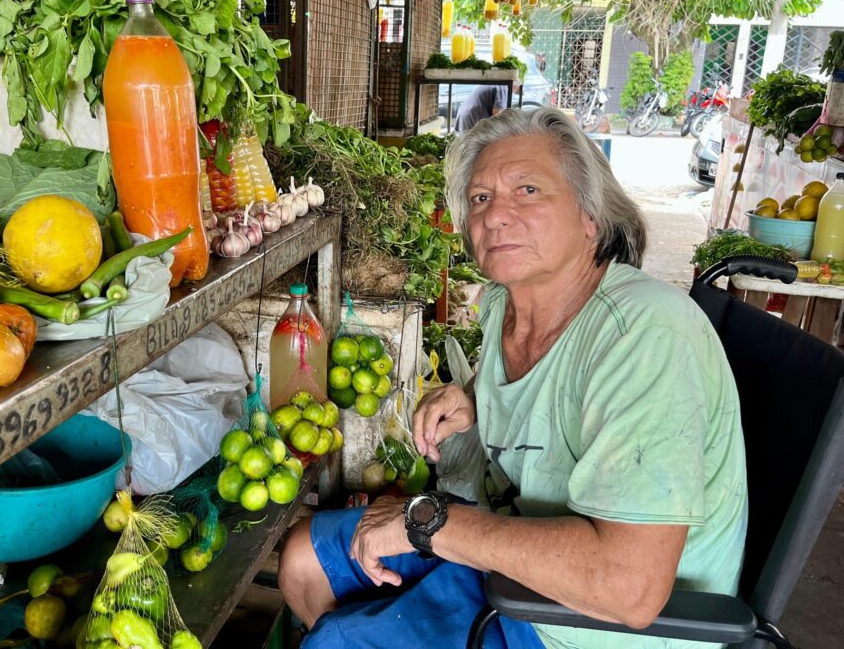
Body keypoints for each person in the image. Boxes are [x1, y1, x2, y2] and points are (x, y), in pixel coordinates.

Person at [278, 108, 748, 649]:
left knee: (339, 642)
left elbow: (630, 589)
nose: (496, 215)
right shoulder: (506, 303)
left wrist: (427, 523)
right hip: (506, 557)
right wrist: (476, 400)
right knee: (302, 559)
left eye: (527, 190)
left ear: (590, 217)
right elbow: (553, 395)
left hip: (578, 625)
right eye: (480, 198)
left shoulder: (645, 335)